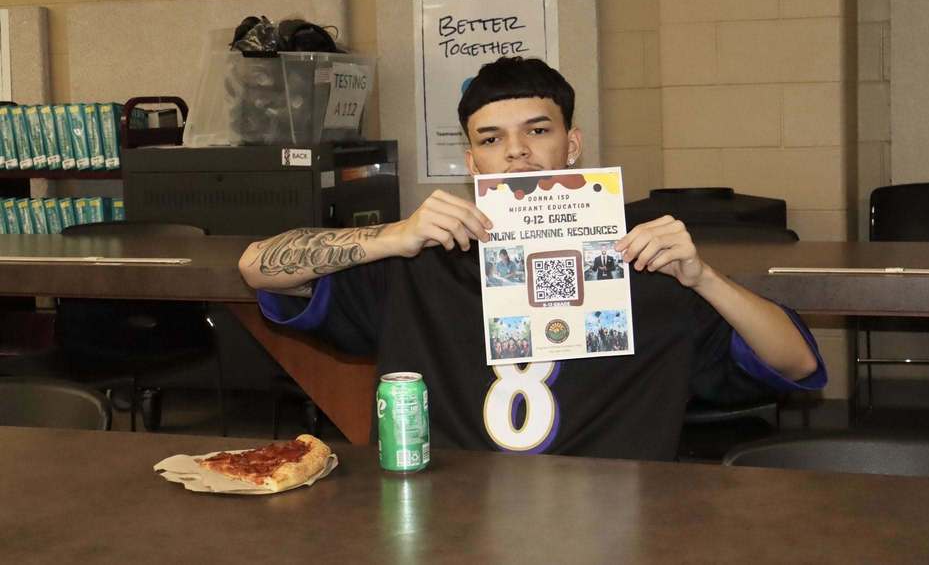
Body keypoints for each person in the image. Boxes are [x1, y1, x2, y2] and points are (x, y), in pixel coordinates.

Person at [238, 56, 826, 461]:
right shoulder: (422, 262)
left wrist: (704, 278)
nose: (516, 152)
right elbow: (257, 266)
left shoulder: (643, 263)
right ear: (472, 163)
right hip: (449, 515)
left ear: (571, 144)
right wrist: (390, 235)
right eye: (491, 139)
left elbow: (797, 363)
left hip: (614, 516)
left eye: (537, 130)